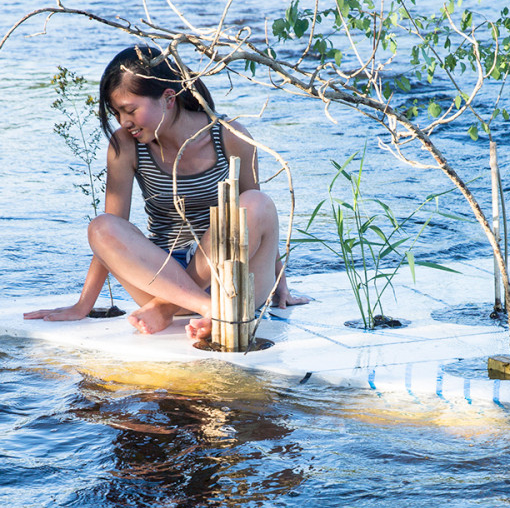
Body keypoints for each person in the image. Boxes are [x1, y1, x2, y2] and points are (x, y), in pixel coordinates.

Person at [24, 44, 306, 340]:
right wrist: (84, 305)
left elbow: (258, 220)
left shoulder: (228, 135)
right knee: (101, 226)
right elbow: (109, 235)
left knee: (255, 203)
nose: (123, 122)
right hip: (163, 278)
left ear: (168, 98)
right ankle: (207, 309)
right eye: (117, 113)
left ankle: (169, 309)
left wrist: (280, 284)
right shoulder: (127, 146)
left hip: (231, 278)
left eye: (130, 110)